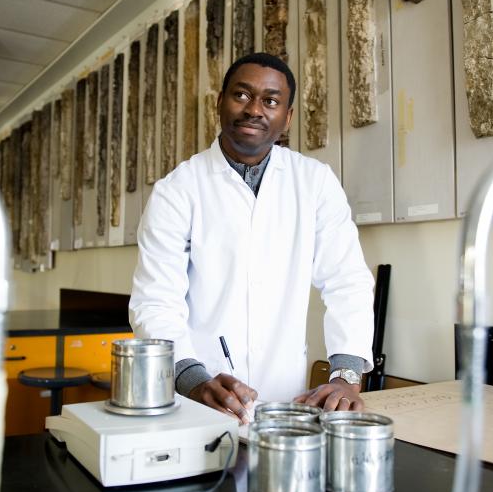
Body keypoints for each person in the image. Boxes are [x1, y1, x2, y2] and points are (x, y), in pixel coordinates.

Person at [129, 52, 375, 424]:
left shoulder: (314, 182)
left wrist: (347, 377)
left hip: (284, 398)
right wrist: (194, 381)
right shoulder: (177, 189)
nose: (254, 109)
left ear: (287, 117)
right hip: (199, 394)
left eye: (271, 101)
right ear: (220, 103)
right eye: (241, 95)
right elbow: (155, 301)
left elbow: (347, 281)